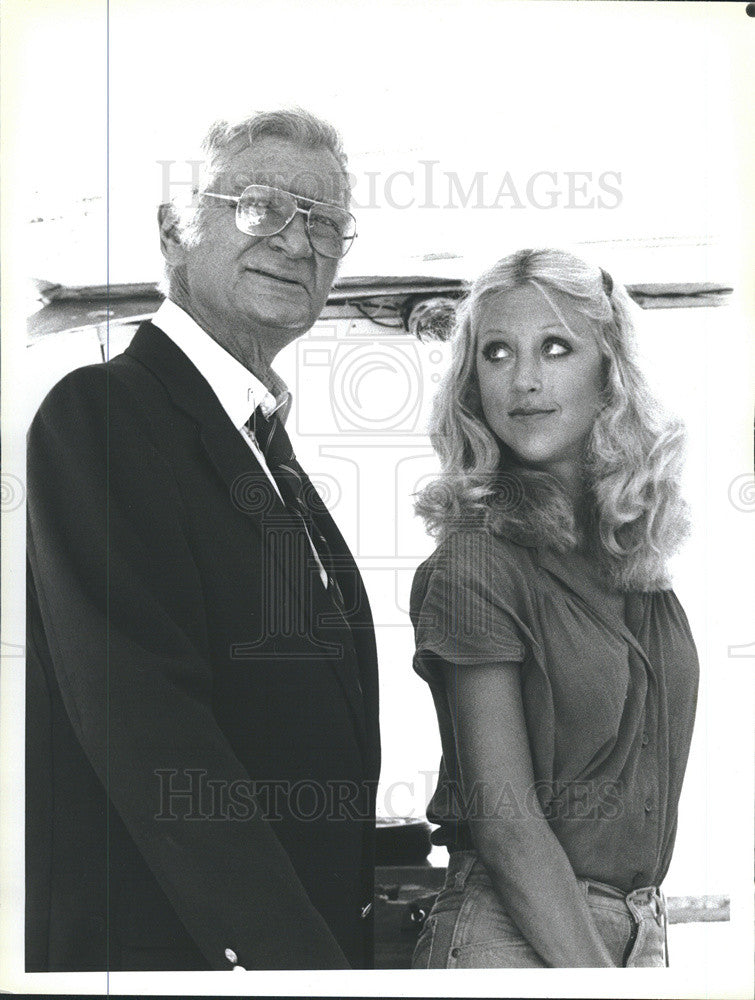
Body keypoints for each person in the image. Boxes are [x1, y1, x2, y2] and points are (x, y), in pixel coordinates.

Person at [26, 109, 380, 972]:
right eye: (260, 207)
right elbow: (150, 731)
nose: (299, 243)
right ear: (175, 231)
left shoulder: (267, 453)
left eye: (325, 221)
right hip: (177, 958)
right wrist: (292, 964)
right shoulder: (103, 416)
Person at [409, 248, 698, 968]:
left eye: (556, 348)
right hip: (512, 938)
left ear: (610, 371)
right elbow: (507, 829)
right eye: (496, 353)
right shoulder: (476, 564)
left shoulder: (638, 564)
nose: (524, 380)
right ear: (472, 382)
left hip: (638, 932)